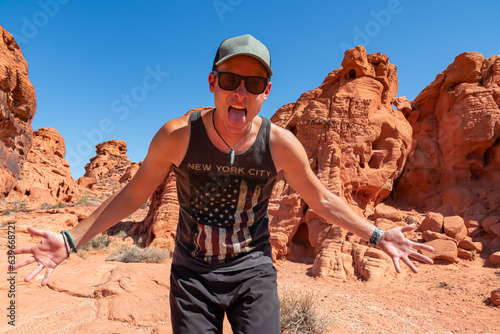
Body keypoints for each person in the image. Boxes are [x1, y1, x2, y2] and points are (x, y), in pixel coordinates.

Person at [9, 34, 434, 333]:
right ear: (213, 83)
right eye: (230, 80)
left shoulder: (279, 144)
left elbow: (322, 199)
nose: (240, 93)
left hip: (252, 271)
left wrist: (377, 235)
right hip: (191, 274)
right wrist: (70, 240)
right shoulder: (178, 136)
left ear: (266, 91)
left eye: (253, 84)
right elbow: (134, 193)